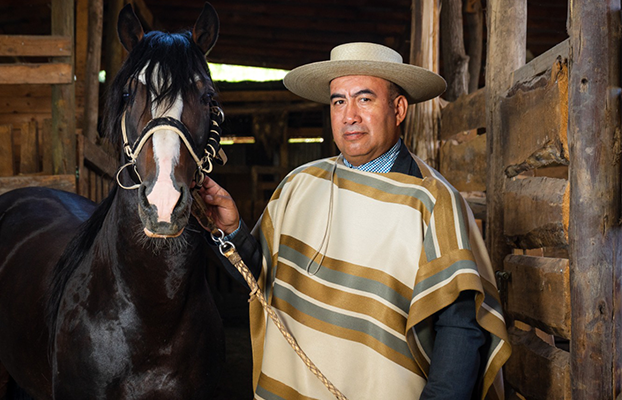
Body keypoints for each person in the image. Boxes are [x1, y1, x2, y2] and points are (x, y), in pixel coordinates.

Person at [199, 42, 511, 400]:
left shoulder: (432, 201)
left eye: (364, 100)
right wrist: (233, 231)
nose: (349, 116)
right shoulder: (299, 185)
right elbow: (263, 276)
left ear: (398, 109)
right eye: (338, 101)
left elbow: (459, 328)